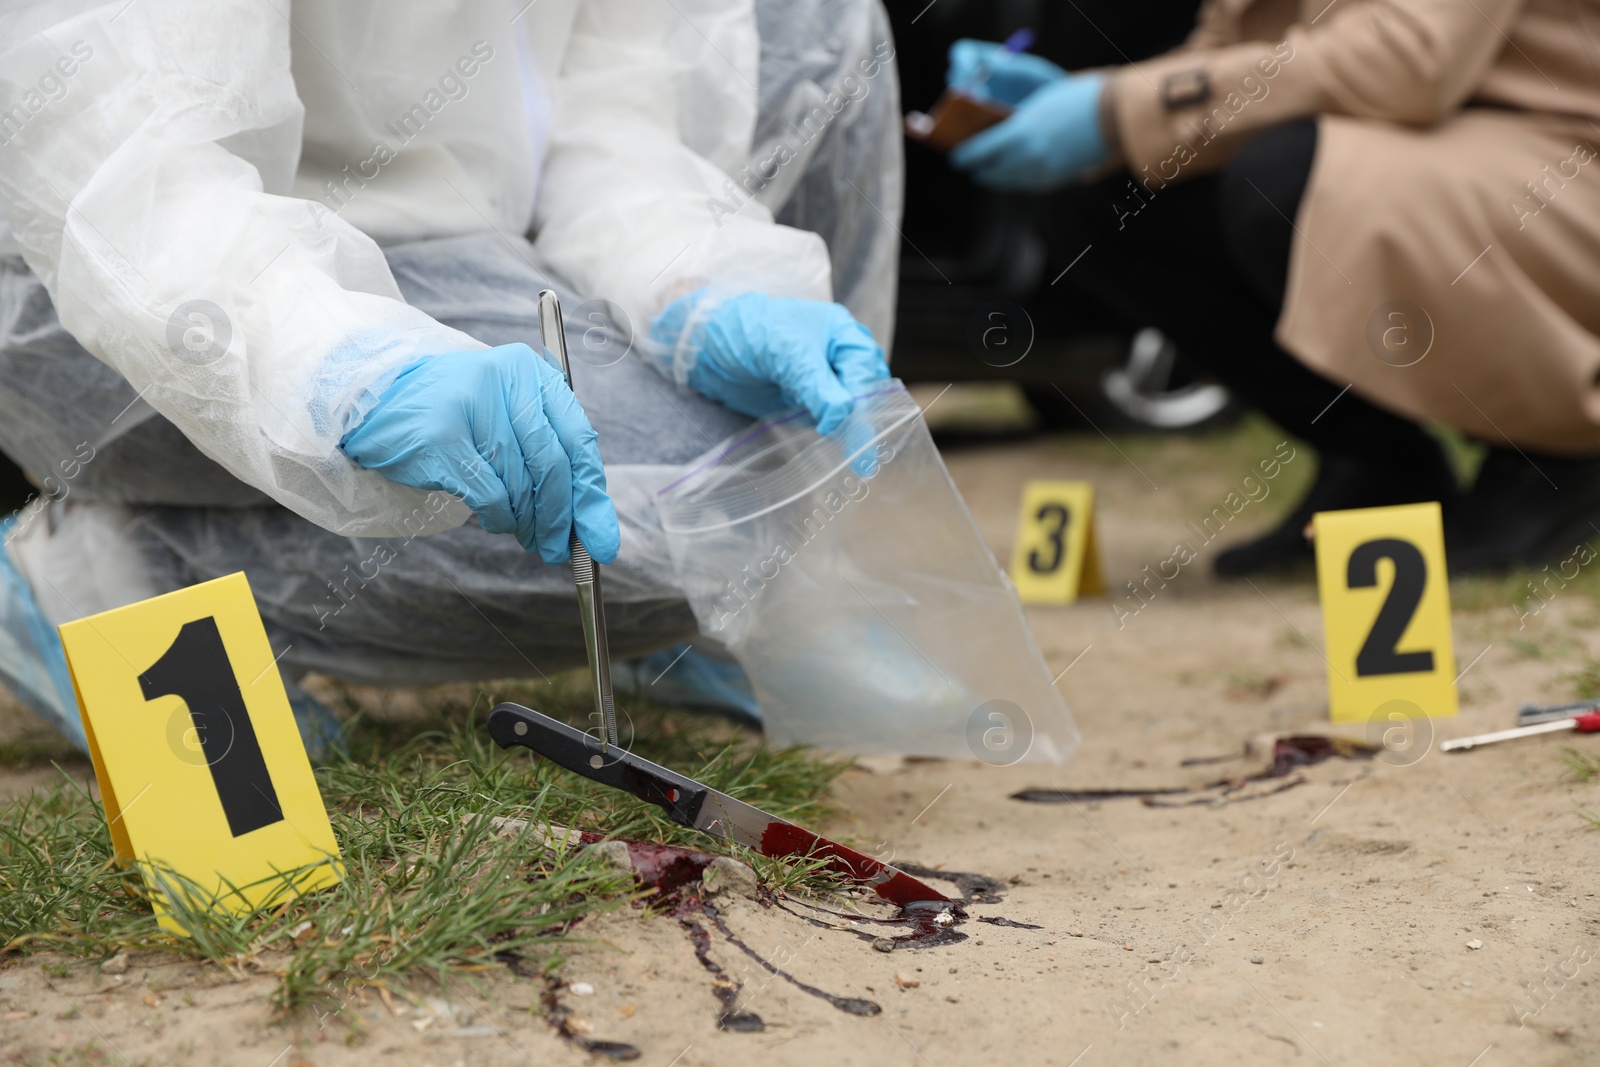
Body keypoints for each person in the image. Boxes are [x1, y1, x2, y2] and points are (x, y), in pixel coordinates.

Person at [0, 0, 902, 753]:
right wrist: (345, 366)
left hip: (448, 244)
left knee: (820, 22)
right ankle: (120, 570)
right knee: (686, 523)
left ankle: (695, 631)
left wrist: (698, 288)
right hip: (106, 265)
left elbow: (603, 121)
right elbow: (125, 172)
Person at [945, 1, 1600, 576]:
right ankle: (1377, 464)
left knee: (1284, 177)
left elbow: (1413, 60)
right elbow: (1222, 57)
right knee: (1109, 194)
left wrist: (1118, 107)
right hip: (1423, 144)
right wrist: (1100, 96)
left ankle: (1556, 456)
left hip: (1555, 158)